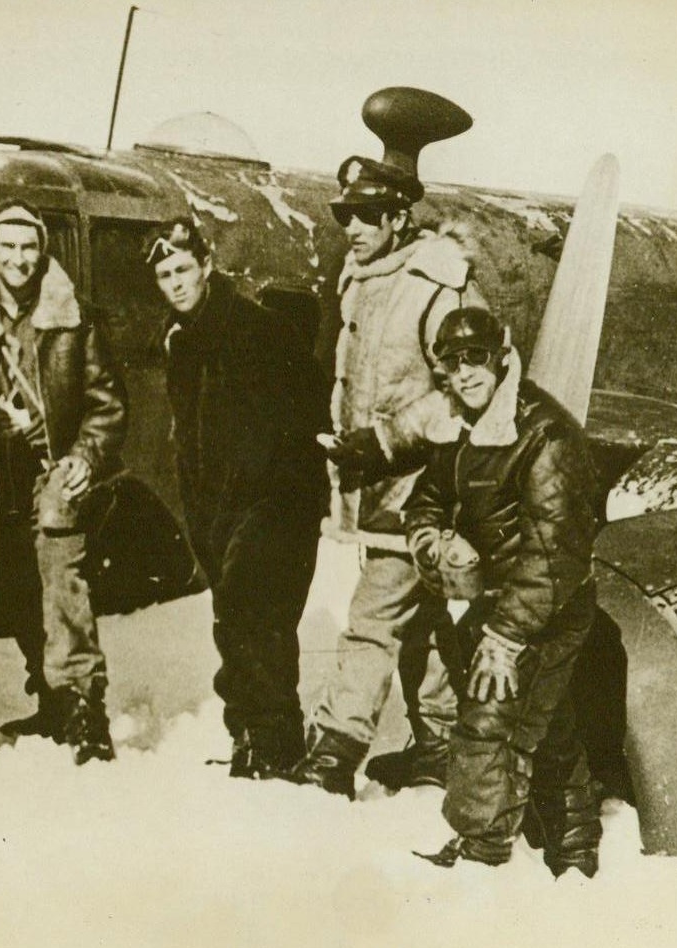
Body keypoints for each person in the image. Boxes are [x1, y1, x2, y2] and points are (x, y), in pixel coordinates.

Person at [294, 88, 485, 797]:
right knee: (426, 620)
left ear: (398, 216)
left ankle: (335, 750)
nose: (351, 227)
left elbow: (469, 389)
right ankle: (439, 744)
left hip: (425, 487)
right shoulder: (364, 276)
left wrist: (384, 440)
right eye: (345, 214)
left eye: (366, 217)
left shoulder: (439, 284)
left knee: (373, 619)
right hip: (381, 487)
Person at [404, 306, 602, 876]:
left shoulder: (544, 433)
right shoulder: (463, 424)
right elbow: (429, 496)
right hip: (499, 603)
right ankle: (575, 853)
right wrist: (431, 539)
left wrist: (505, 639)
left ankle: (481, 857)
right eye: (451, 363)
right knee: (546, 726)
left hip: (546, 609)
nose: (464, 373)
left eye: (475, 359)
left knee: (489, 721)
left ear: (501, 356)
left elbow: (553, 555)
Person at [147, 218, 329, 778]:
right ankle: (251, 738)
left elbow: (292, 424)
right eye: (164, 275)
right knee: (234, 621)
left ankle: (276, 743)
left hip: (274, 500)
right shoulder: (181, 339)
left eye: (183, 270)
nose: (176, 283)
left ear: (206, 267)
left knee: (259, 619)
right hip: (219, 507)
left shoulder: (254, 329)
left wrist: (269, 501)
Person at [0, 199, 126, 765]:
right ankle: (47, 697)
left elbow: (107, 406)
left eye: (29, 246)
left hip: (51, 465)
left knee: (60, 569)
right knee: (10, 580)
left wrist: (83, 456)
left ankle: (83, 706)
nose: (19, 259)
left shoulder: (75, 315)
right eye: (7, 246)